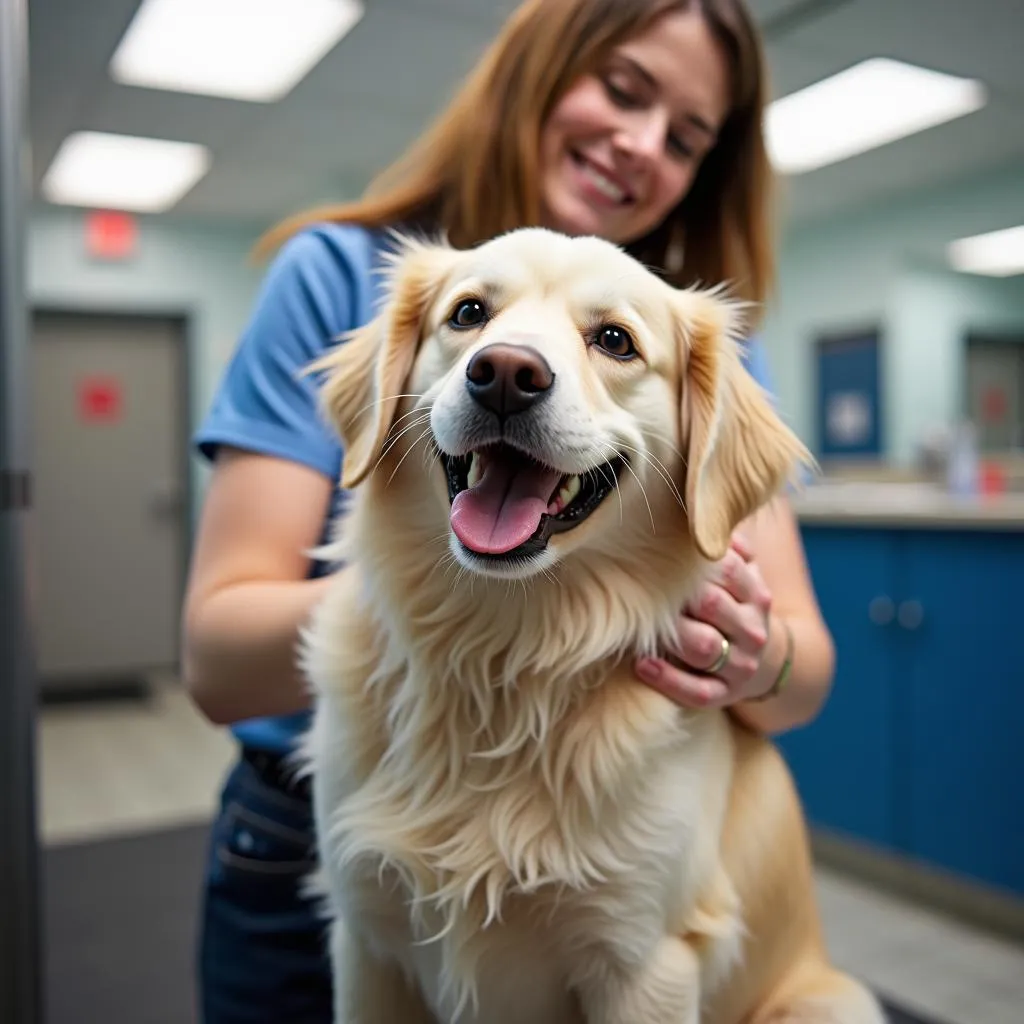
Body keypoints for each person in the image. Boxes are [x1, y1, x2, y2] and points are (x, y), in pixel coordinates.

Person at [181, 0, 836, 1019]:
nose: (641, 144)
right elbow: (214, 659)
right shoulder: (339, 273)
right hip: (292, 838)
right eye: (623, 89)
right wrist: (423, 614)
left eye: (686, 135)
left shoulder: (710, 356)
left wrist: (752, 656)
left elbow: (799, 673)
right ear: (534, 67)